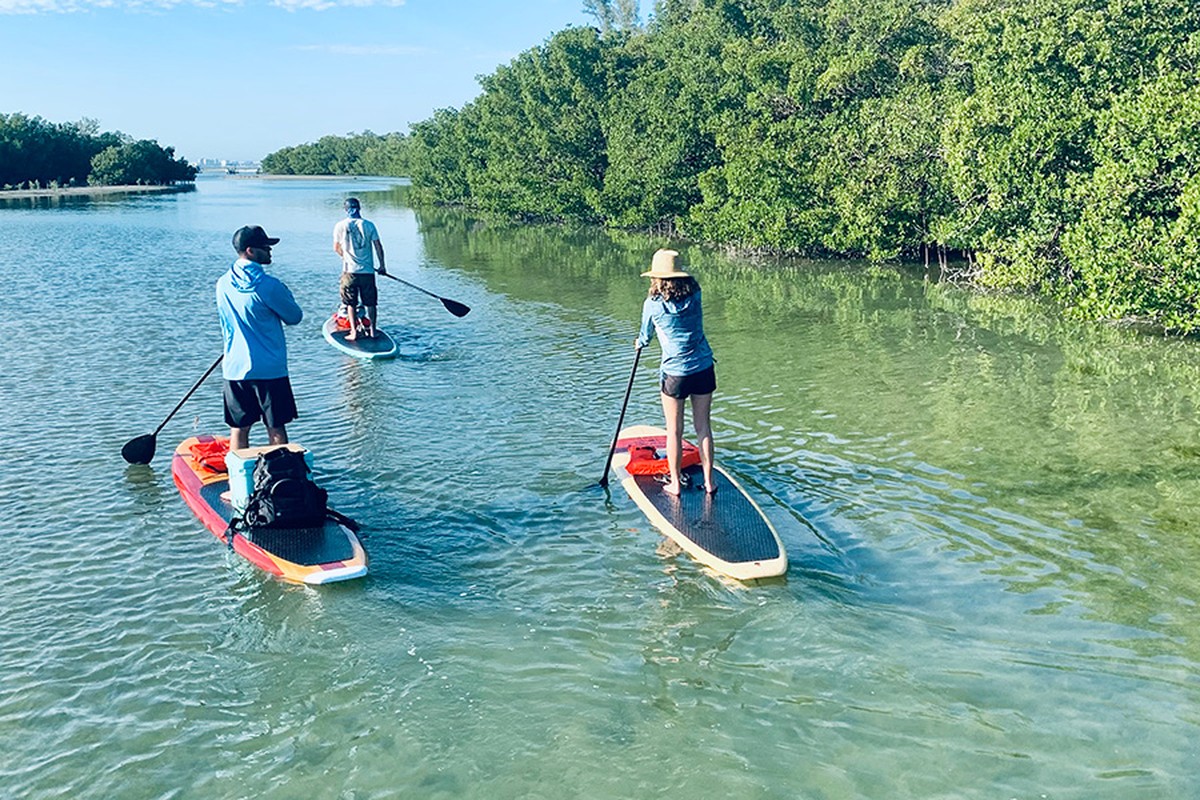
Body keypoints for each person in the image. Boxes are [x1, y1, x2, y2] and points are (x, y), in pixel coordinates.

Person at [636, 249, 717, 497]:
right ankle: (709, 481)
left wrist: (639, 343)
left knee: (674, 430)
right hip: (703, 367)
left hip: (675, 374)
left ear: (657, 278)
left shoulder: (653, 305)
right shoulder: (696, 295)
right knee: (703, 427)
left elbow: (645, 337)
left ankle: (675, 484)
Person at [216, 225, 304, 451]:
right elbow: (294, 316)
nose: (270, 251)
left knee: (239, 428)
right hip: (269, 369)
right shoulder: (269, 286)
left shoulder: (222, 283)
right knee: (275, 427)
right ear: (250, 251)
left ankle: (239, 480)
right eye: (265, 247)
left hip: (234, 366)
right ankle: (280, 477)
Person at [332, 197, 386, 340]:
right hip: (367, 271)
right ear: (359, 208)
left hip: (350, 271)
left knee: (351, 303)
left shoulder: (340, 225)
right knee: (371, 303)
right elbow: (378, 246)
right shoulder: (369, 225)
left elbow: (336, 248)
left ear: (346, 209)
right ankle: (373, 331)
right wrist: (382, 266)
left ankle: (354, 333)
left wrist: (345, 257)